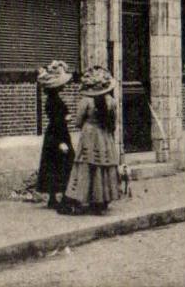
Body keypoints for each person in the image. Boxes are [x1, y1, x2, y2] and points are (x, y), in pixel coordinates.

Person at [62, 64, 121, 215]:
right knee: (103, 165)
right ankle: (102, 201)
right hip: (104, 136)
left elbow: (78, 122)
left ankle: (85, 198)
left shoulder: (85, 101)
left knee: (87, 165)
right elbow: (114, 123)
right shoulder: (111, 102)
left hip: (89, 135)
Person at [35, 60, 74, 209]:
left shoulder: (52, 99)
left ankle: (53, 197)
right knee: (64, 164)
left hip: (54, 134)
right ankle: (63, 196)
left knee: (53, 165)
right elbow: (57, 121)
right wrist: (60, 142)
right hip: (58, 135)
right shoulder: (54, 101)